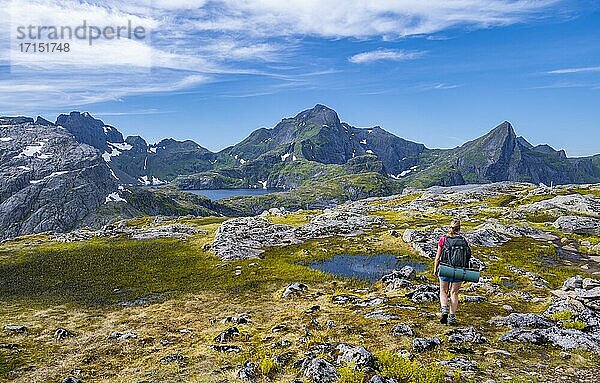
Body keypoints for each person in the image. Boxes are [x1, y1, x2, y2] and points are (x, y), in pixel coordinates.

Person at [433, 219, 471, 325]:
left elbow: (437, 257)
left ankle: (444, 310)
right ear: (459, 228)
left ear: (450, 227)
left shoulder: (443, 240)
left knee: (443, 291)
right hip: (459, 270)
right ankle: (452, 317)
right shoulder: (463, 241)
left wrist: (435, 269)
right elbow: (468, 256)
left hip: (445, 268)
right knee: (454, 293)